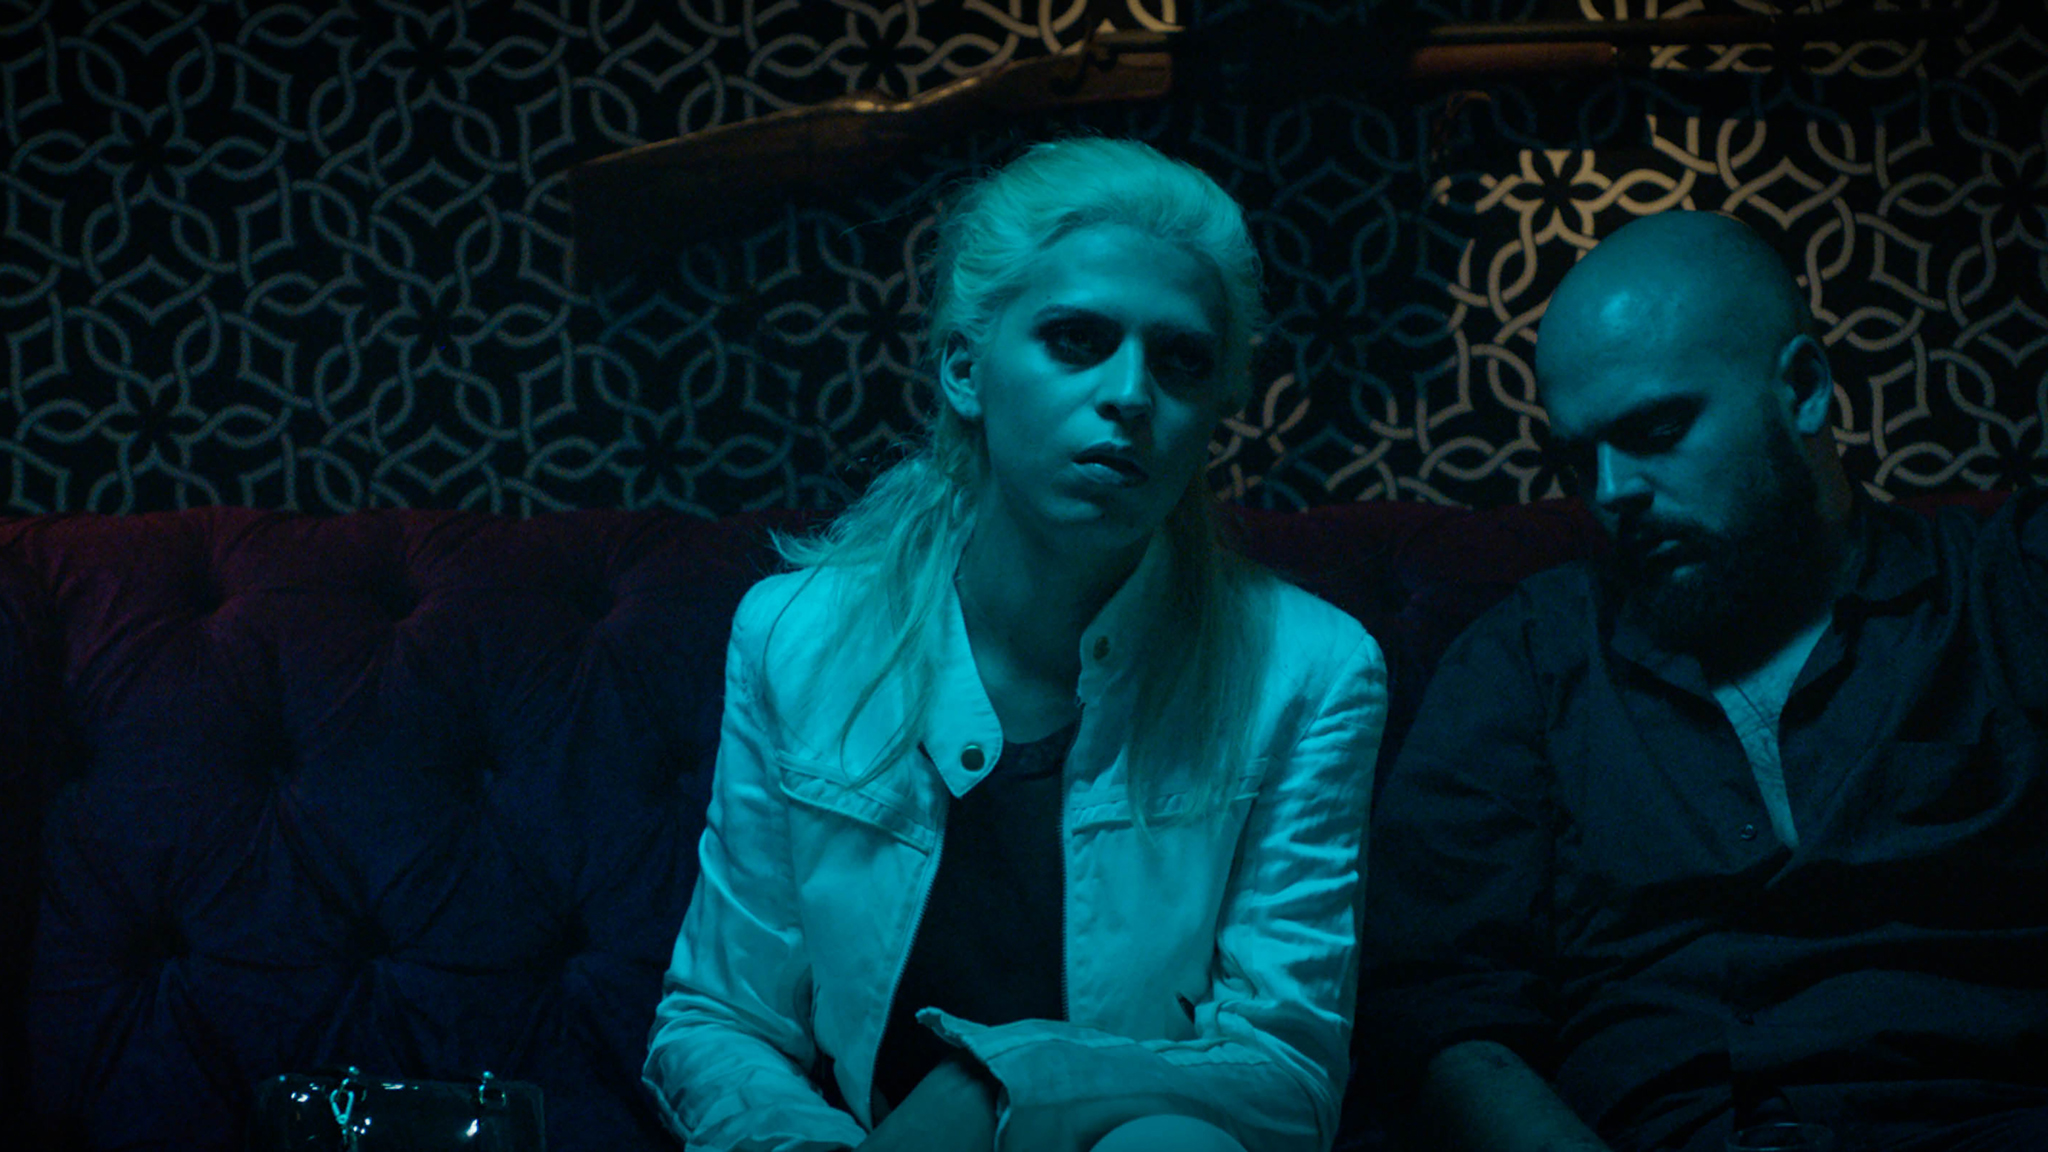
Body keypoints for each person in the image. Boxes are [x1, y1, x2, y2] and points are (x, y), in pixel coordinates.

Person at [642, 137, 1388, 1152]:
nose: (1132, 395)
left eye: (1181, 360)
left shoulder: (1308, 672)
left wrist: (998, 1089)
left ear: (1217, 409)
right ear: (965, 370)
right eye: (1077, 340)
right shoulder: (796, 635)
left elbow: (1285, 1077)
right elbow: (719, 1018)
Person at [1361, 209, 2048, 1152]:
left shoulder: (2009, 592)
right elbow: (1439, 1014)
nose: (1612, 491)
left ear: (1802, 390)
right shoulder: (1527, 660)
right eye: (1580, 457)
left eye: (1657, 428)